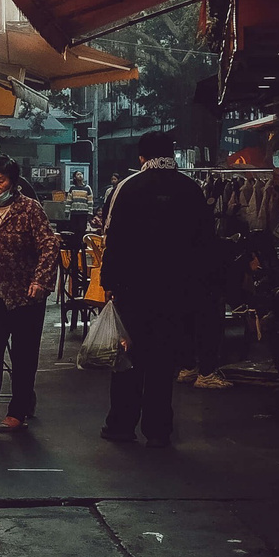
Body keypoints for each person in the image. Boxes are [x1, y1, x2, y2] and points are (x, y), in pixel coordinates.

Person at [97, 129, 220, 448]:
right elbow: (206, 245)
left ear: (142, 157)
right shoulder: (191, 190)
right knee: (163, 362)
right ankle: (158, 429)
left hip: (132, 290)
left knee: (128, 358)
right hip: (176, 293)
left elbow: (114, 240)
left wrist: (108, 283)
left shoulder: (128, 188)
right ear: (173, 154)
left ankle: (121, 425)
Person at [0, 155, 59, 434]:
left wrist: (40, 281)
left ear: (13, 182)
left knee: (24, 355)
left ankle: (17, 413)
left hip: (26, 295)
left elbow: (49, 245)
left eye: (0, 181)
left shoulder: (30, 209)